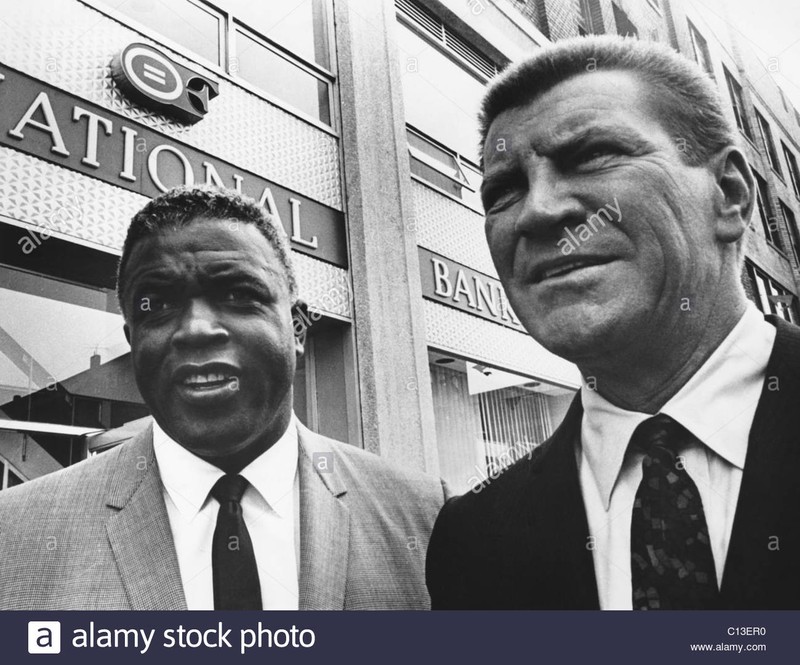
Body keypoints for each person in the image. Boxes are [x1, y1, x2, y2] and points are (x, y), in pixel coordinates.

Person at [426, 35, 800, 610]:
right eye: (503, 190)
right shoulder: (470, 540)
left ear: (729, 194)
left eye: (593, 156)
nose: (539, 211)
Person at [0, 186, 446, 610]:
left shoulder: (432, 519)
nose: (196, 330)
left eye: (238, 294)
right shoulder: (14, 534)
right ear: (132, 340)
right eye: (156, 304)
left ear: (296, 328)